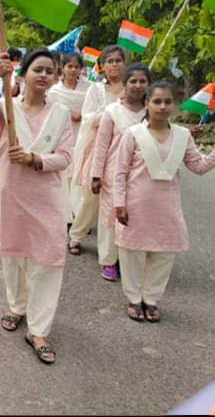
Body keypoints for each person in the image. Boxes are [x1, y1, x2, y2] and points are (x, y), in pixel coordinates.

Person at [0, 50, 74, 364]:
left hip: (46, 194)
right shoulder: (6, 107)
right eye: (37, 69)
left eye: (49, 71)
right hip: (10, 191)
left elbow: (65, 156)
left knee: (48, 258)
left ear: (55, 78)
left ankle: (38, 329)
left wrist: (34, 159)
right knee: (13, 253)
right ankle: (17, 306)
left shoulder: (60, 113)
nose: (43, 75)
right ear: (23, 74)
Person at [114, 82, 215, 322]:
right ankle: (133, 298)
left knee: (163, 254)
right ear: (147, 104)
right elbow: (120, 171)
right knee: (132, 253)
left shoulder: (182, 136)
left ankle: (151, 298)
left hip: (166, 207)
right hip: (136, 203)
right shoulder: (133, 134)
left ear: (175, 105)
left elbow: (198, 166)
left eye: (167, 102)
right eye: (157, 101)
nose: (162, 106)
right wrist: (120, 202)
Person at [90, 62, 150, 282]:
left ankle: (129, 260)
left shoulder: (151, 111)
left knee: (133, 218)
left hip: (140, 176)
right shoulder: (112, 111)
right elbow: (101, 145)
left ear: (148, 85)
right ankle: (108, 260)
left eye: (142, 81)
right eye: (133, 81)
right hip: (112, 174)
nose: (137, 85)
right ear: (125, 84)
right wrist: (95, 175)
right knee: (109, 218)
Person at [68, 45, 127, 255]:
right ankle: (76, 235)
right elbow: (87, 117)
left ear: (124, 64)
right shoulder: (96, 90)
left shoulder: (132, 89)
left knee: (118, 197)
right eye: (109, 61)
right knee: (90, 194)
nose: (114, 65)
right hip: (98, 147)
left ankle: (115, 246)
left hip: (124, 149)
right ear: (101, 66)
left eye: (118, 61)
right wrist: (109, 113)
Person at [47, 52, 92, 226]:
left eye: (76, 66)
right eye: (70, 66)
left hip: (85, 135)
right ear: (62, 68)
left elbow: (96, 108)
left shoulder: (89, 88)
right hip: (63, 137)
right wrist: (67, 115)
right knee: (64, 178)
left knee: (80, 178)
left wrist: (83, 116)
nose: (73, 70)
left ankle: (80, 217)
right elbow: (50, 114)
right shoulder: (54, 91)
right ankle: (67, 215)